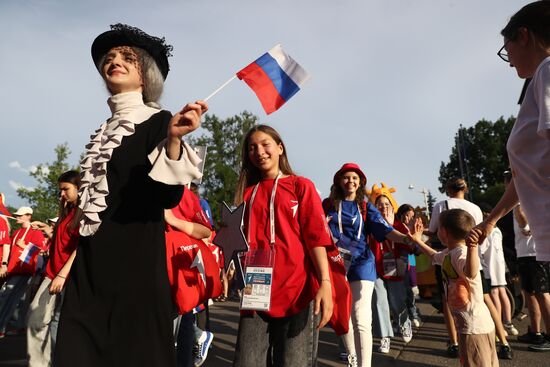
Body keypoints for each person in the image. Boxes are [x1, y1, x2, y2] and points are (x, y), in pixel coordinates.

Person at [54, 24, 206, 367]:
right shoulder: (103, 131)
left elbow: (166, 196)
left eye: (127, 57)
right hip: (89, 271)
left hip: (134, 267)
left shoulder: (160, 122)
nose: (114, 61)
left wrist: (174, 140)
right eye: (109, 57)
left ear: (146, 75)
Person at [472, 0, 550, 352]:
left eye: (508, 49)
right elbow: (525, 174)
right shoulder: (538, 82)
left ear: (524, 35)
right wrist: (491, 220)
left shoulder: (547, 70)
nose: (509, 59)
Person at [232, 124, 333, 367]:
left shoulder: (301, 186)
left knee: (292, 363)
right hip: (256, 292)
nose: (259, 151)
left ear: (280, 148)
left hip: (298, 291)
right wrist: (232, 270)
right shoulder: (246, 194)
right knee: (247, 362)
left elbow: (316, 237)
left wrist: (326, 283)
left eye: (265, 144)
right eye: (252, 147)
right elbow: (239, 242)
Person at [325, 166, 415, 367]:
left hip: (362, 263)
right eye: (346, 177)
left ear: (360, 182)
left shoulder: (365, 207)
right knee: (342, 316)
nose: (350, 181)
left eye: (354, 177)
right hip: (335, 265)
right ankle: (352, 356)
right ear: (339, 181)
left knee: (360, 315)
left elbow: (386, 230)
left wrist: (406, 238)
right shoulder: (328, 205)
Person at [412, 209, 498, 367]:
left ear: (443, 231)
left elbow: (471, 273)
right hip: (469, 326)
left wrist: (472, 248)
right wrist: (418, 241)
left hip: (474, 328)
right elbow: (433, 255)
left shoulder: (461, 253)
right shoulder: (448, 253)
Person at [26, 171, 80, 367]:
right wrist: (47, 229)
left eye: (66, 189)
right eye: (60, 190)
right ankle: (40, 364)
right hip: (52, 273)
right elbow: (63, 240)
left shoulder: (83, 214)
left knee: (59, 324)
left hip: (65, 276)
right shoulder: (67, 212)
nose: (62, 194)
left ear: (79, 188)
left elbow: (80, 247)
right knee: (36, 320)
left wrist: (62, 274)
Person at [0, 206, 46, 338]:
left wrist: (24, 246)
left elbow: (42, 249)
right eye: (17, 215)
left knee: (7, 297)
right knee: (18, 299)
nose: (17, 217)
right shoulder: (17, 232)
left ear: (28, 216)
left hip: (24, 270)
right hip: (14, 269)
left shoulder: (35, 232)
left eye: (20, 215)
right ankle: (18, 326)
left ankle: (3, 326)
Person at [513, 204, 550, 352]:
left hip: (535, 253)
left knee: (542, 293)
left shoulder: (522, 195)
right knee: (531, 294)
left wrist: (525, 227)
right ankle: (536, 333)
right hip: (527, 253)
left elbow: (520, 212)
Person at [395, 204, 421, 328]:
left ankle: (413, 314)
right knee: (400, 291)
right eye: (407, 215)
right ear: (401, 215)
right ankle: (401, 319)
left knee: (411, 290)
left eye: (411, 216)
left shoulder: (413, 228)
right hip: (399, 262)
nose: (409, 218)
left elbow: (417, 247)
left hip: (411, 262)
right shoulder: (396, 227)